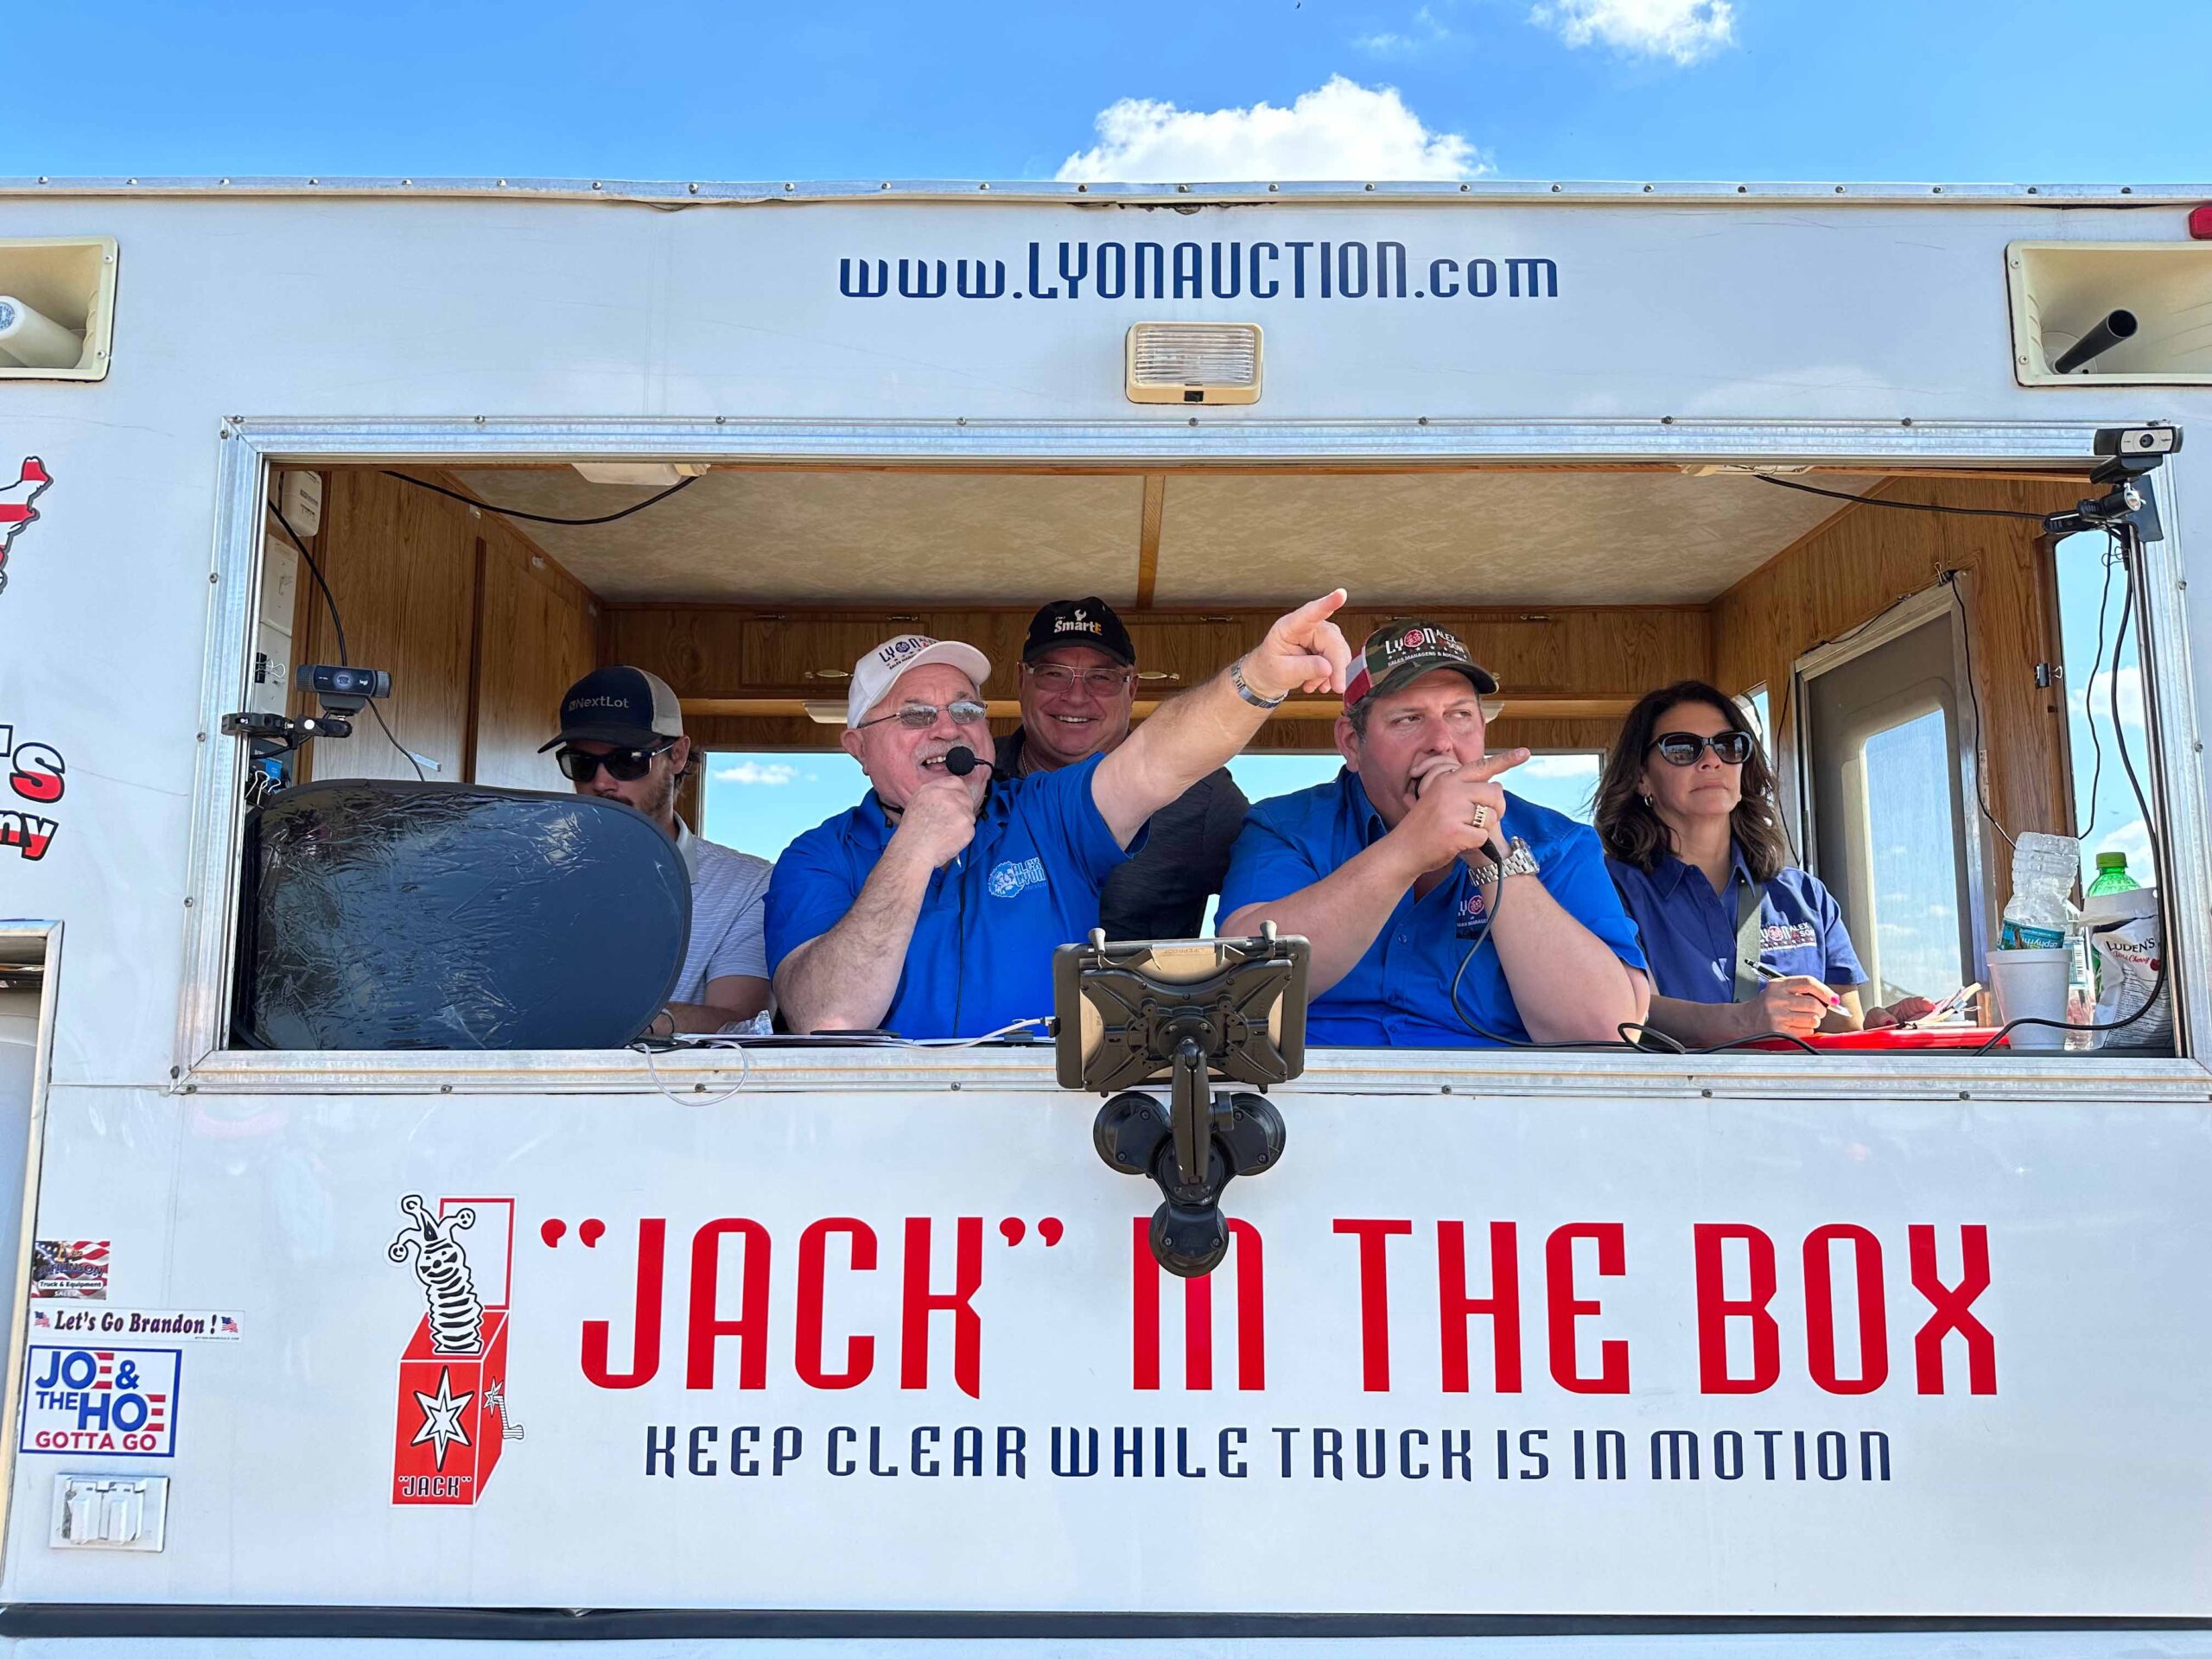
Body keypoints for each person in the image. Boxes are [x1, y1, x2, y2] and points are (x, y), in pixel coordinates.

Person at [766, 592, 1354, 1039]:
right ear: (857, 748)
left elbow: (1155, 759)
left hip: (1048, 1128)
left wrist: (1261, 676)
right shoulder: (816, 857)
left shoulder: (1043, 813)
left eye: (966, 708)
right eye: (915, 715)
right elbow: (830, 1015)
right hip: (879, 1139)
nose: (948, 727)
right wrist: (914, 849)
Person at [1216, 620, 1649, 1047]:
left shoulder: (1559, 842)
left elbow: (1608, 1031)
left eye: (1460, 715)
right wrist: (1407, 850)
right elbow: (1239, 990)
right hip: (1309, 1098)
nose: (1441, 742)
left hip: (1499, 1106)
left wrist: (1491, 850)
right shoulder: (1284, 826)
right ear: (1351, 742)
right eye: (1409, 719)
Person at [1594, 679, 1931, 1044]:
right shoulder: (1606, 889)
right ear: (1642, 778)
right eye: (1681, 748)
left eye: (1728, 745)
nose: (1711, 761)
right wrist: (1745, 1020)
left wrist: (1878, 1026)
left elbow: (1841, 1023)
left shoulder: (1806, 896)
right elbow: (1631, 1013)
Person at [995, 596, 1248, 940]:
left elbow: (1268, 909)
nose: (1077, 697)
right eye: (1054, 674)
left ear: (1132, 690)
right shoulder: (971, 777)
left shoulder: (1199, 794)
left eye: (1102, 677)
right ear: (1022, 681)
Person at [540, 665, 771, 1033]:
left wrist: (598, 1024)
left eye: (627, 761)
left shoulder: (744, 885)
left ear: (677, 755)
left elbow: (737, 1020)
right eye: (581, 764)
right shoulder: (528, 875)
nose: (601, 782)